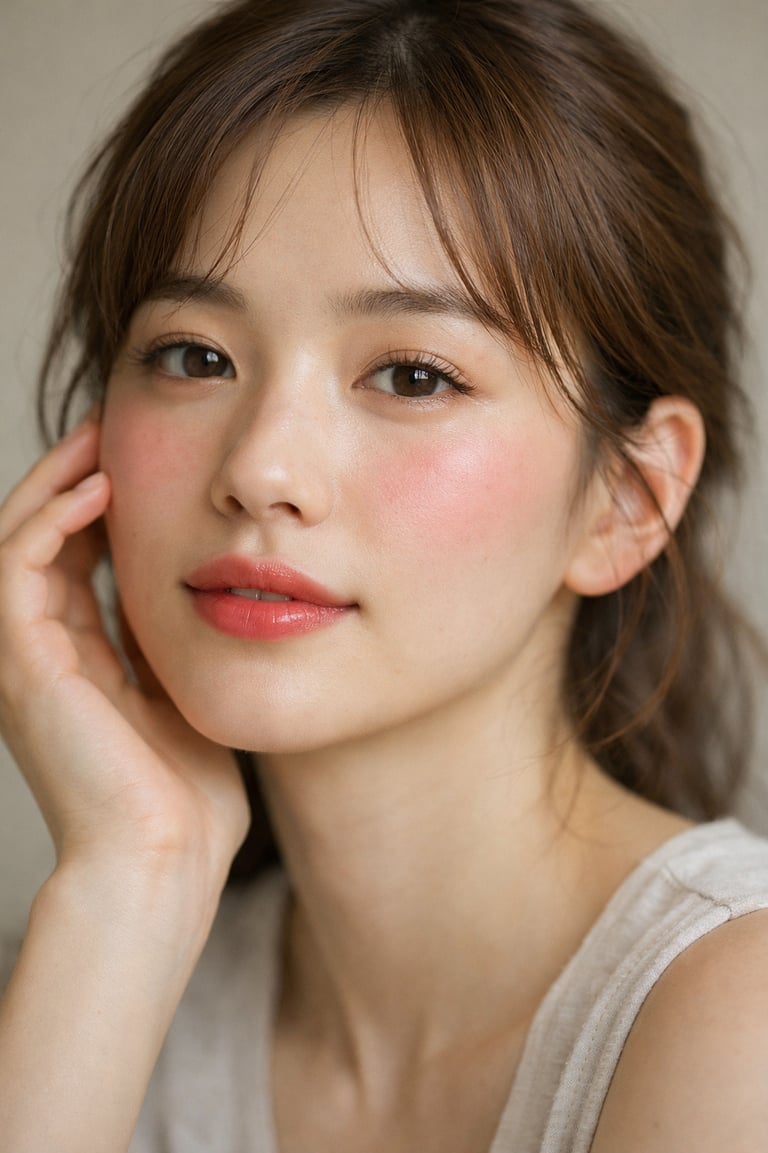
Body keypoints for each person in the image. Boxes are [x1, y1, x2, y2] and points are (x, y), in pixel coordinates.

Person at [0, 0, 767, 1149]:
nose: (261, 468)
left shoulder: (735, 1023)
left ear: (628, 497)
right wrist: (128, 885)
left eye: (411, 376)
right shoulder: (90, 986)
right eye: (194, 356)